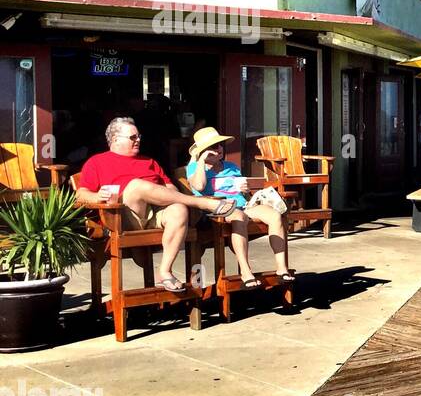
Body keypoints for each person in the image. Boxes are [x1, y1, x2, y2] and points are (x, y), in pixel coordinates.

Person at [74, 117, 235, 293]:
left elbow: (171, 189)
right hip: (122, 218)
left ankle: (165, 271)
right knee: (136, 185)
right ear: (115, 139)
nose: (138, 140)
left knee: (179, 209)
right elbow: (81, 194)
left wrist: (157, 193)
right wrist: (98, 196)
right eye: (133, 137)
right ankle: (201, 203)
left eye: (139, 136)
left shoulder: (149, 162)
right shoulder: (97, 162)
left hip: (155, 213)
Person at [186, 127, 293, 285]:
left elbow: (241, 192)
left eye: (221, 144)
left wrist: (245, 190)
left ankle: (282, 269)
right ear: (204, 151)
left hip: (243, 205)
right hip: (218, 210)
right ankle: (245, 271)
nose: (220, 149)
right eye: (215, 146)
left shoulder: (231, 166)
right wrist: (201, 160)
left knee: (275, 215)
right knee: (239, 217)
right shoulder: (195, 168)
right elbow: (199, 186)